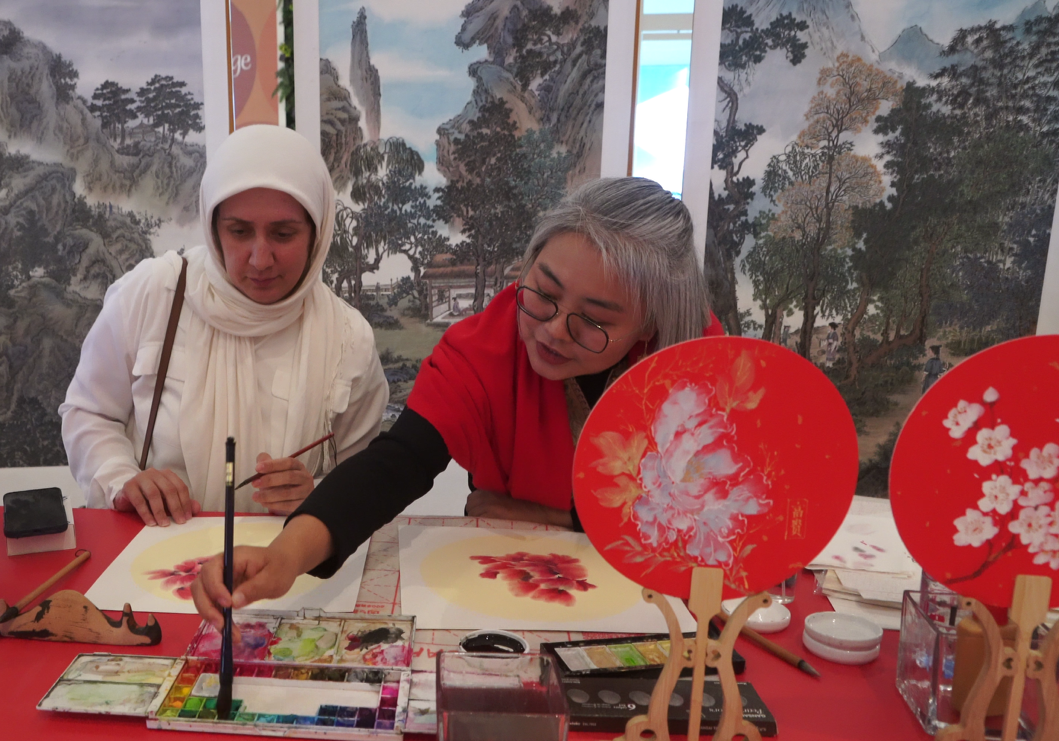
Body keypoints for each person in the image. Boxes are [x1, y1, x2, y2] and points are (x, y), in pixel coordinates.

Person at [189, 177, 723, 624]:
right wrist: (285, 557)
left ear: (650, 324)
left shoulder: (702, 369)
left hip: (659, 611)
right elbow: (398, 462)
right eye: (544, 292)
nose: (554, 330)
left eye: (595, 320)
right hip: (517, 597)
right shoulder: (484, 348)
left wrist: (552, 517)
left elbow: (710, 519)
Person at [60, 124, 388, 527]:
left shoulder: (347, 341)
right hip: (155, 552)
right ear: (213, 226)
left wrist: (319, 495)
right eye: (239, 232)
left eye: (283, 234)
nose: (260, 259)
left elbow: (363, 481)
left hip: (290, 558)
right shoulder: (155, 294)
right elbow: (88, 413)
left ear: (316, 233)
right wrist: (121, 478)